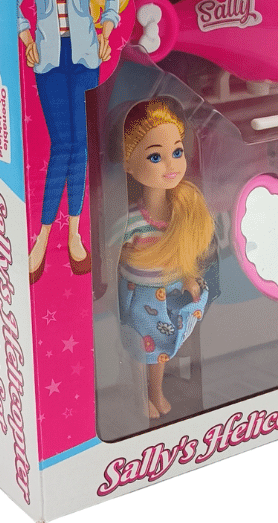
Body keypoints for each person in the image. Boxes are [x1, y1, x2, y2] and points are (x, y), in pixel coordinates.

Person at [16, 0, 129, 283]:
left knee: (79, 147)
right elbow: (10, 5)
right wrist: (27, 36)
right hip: (48, 63)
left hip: (84, 60)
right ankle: (45, 235)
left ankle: (75, 233)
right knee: (62, 146)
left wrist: (106, 29)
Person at [118, 98, 215, 419]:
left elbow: (184, 253)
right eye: (155, 157)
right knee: (140, 348)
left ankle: (155, 392)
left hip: (171, 292)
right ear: (128, 165)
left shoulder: (182, 212)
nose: (170, 165)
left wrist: (188, 277)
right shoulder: (132, 221)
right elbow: (112, 256)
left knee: (159, 351)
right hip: (140, 296)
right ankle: (140, 395)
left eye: (177, 152)